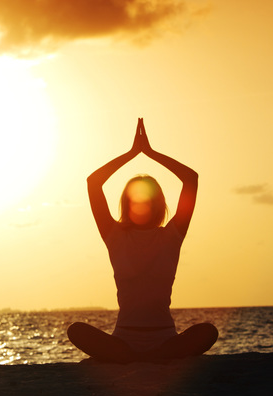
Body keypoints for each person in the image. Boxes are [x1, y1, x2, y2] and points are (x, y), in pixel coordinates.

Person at [68, 118, 218, 363]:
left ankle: (149, 356)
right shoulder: (113, 234)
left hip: (166, 339)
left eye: (147, 199)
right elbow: (93, 183)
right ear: (127, 204)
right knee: (75, 329)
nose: (141, 204)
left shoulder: (172, 235)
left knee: (209, 331)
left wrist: (150, 153)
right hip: (123, 339)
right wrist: (131, 154)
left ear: (158, 203)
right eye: (135, 199)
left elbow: (191, 179)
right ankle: (146, 357)